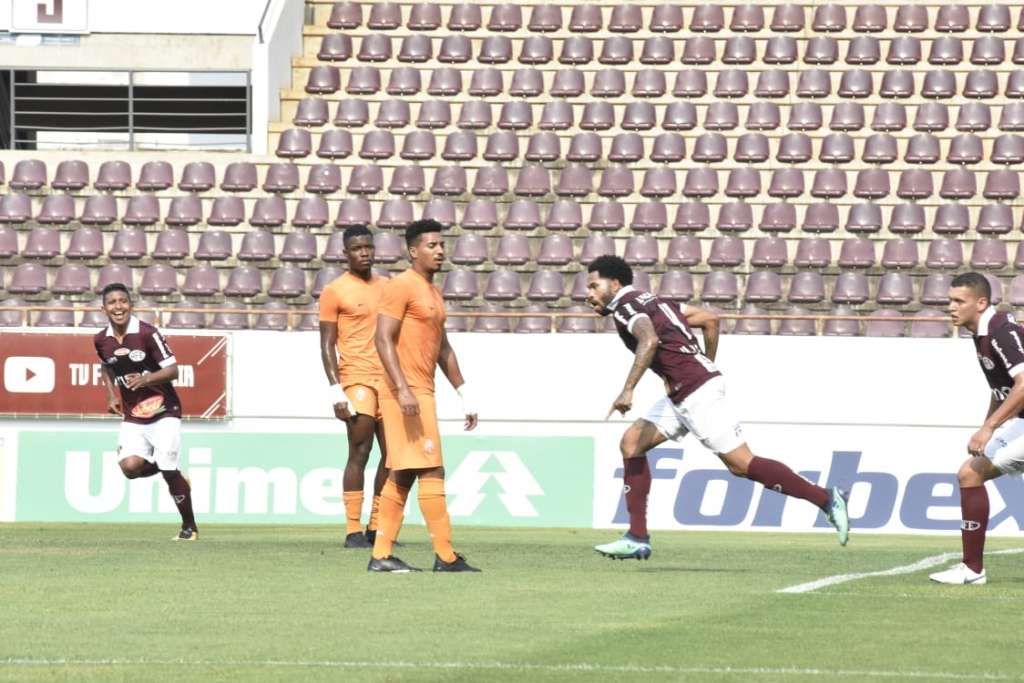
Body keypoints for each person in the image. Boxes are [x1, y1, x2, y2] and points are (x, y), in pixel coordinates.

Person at [584, 256, 849, 560]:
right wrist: (706, 362)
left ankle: (827, 499)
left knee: (741, 464)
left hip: (694, 390)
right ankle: (637, 537)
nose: (589, 293)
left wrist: (628, 389)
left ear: (615, 284)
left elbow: (649, 339)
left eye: (594, 285)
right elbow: (710, 320)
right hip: (686, 389)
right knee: (632, 443)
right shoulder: (659, 301)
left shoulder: (625, 307)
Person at [367, 219, 480, 573]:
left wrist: (465, 392)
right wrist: (401, 388)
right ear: (413, 251)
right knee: (432, 468)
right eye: (432, 245)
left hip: (422, 391)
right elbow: (382, 338)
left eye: (442, 244)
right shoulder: (400, 286)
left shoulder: (432, 292)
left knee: (404, 473)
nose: (440, 250)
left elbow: (442, 347)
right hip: (406, 392)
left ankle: (381, 555)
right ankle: (444, 556)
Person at [929, 272, 1024, 585]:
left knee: (971, 473)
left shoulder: (1000, 331)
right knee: (969, 473)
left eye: (959, 301)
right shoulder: (981, 335)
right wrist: (988, 427)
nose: (951, 307)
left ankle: (972, 570)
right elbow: (1003, 391)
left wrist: (988, 430)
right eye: (950, 301)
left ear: (981, 303)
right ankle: (972, 569)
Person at [94, 282, 197, 541]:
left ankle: (189, 528)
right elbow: (107, 367)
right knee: (129, 468)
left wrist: (146, 379)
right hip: (133, 413)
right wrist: (110, 395)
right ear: (103, 308)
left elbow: (173, 370)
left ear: (131, 304)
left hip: (165, 409)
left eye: (123, 301)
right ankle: (175, 474)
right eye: (112, 302)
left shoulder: (147, 333)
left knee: (168, 469)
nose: (118, 307)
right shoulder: (101, 339)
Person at [318, 225, 390, 549]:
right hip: (357, 378)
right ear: (345, 253)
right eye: (358, 248)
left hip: (388, 380)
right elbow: (326, 345)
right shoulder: (335, 291)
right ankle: (352, 530)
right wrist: (336, 391)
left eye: (369, 247)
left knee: (392, 458)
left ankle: (377, 528)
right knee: (360, 452)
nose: (365, 253)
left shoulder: (389, 287)